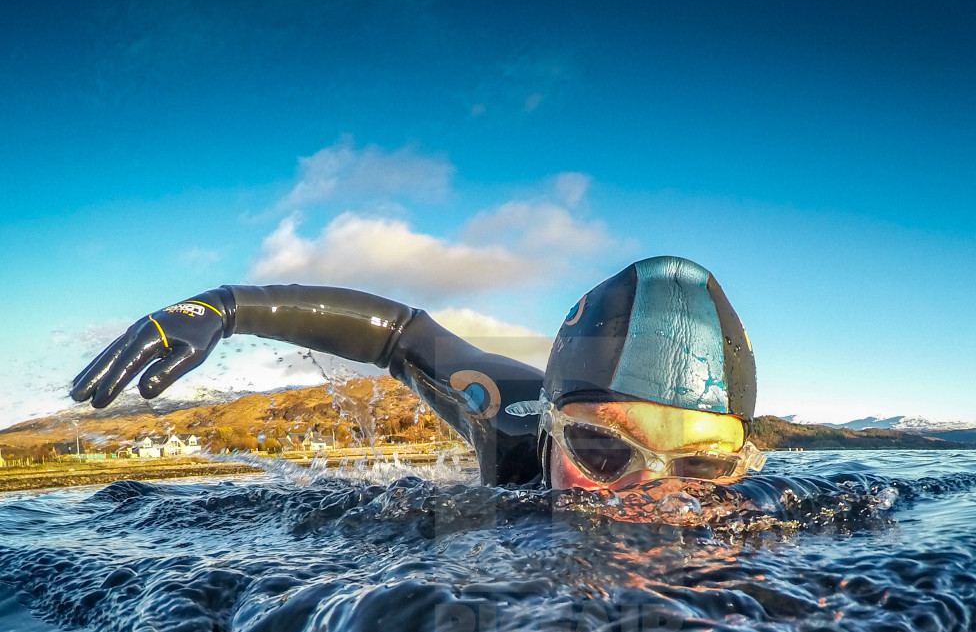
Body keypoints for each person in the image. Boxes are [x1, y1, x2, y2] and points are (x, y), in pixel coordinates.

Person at [71, 255, 765, 488]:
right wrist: (228, 306)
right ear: (552, 428)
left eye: (702, 470)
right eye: (605, 449)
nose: (650, 501)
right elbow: (403, 336)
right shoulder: (513, 424)